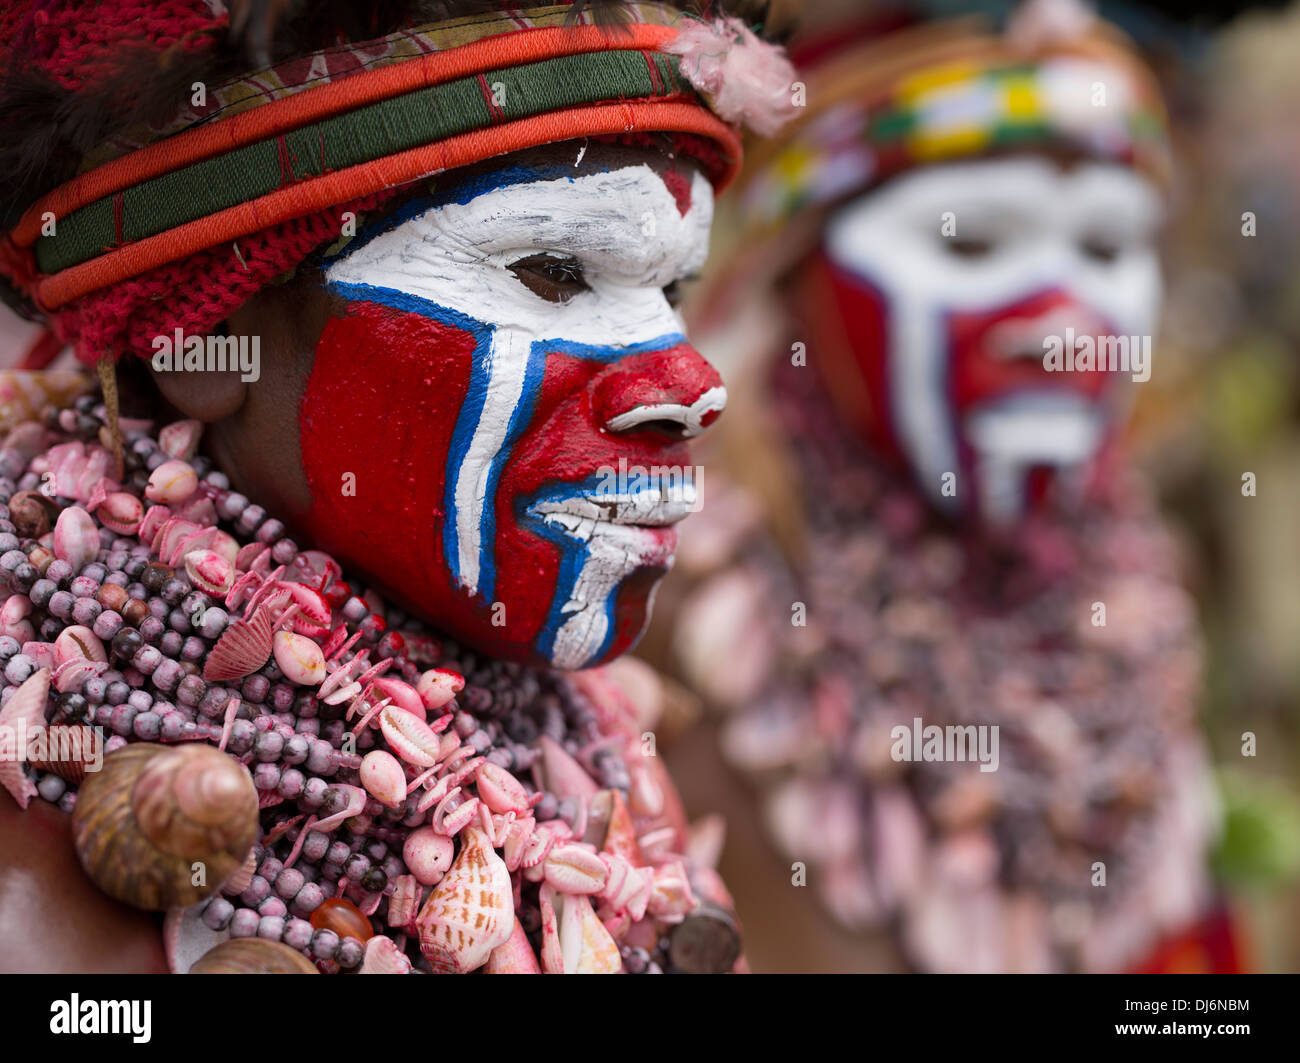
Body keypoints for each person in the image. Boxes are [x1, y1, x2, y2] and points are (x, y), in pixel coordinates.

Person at [0, 0, 797, 974]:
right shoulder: (30, 912)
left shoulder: (612, 769)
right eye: (553, 270)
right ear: (206, 342)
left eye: (670, 293)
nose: (690, 388)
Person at [662, 0, 1242, 972]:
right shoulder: (657, 624)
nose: (1063, 325)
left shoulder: (1144, 598)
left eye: (1103, 248)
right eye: (972, 243)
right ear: (786, 274)